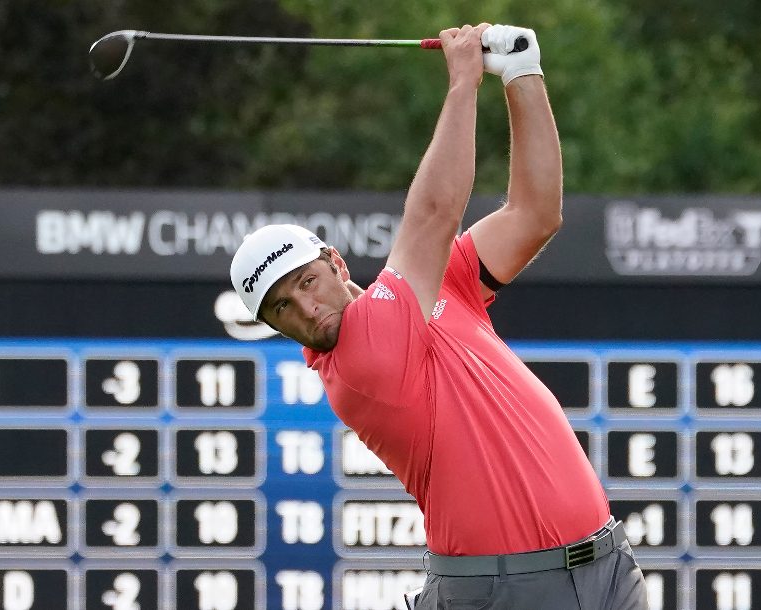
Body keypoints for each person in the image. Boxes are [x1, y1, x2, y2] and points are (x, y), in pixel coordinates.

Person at [229, 23, 648, 610]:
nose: (306, 308)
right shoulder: (360, 359)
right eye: (282, 309)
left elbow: (535, 213)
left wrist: (523, 73)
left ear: (333, 260)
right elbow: (433, 212)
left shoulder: (429, 290)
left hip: (605, 564)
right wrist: (463, 81)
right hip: (505, 589)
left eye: (305, 283)